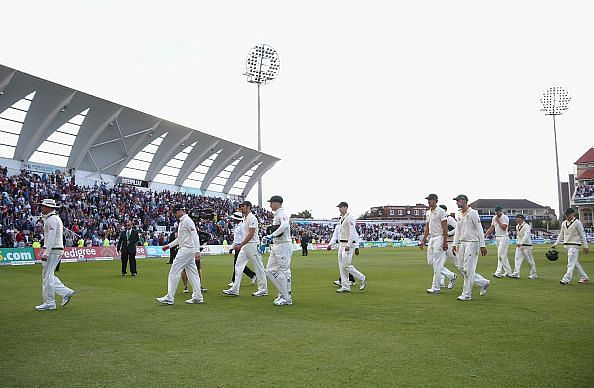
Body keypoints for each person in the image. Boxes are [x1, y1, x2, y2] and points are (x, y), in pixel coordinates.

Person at [156, 204, 204, 305]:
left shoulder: (187, 221)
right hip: (188, 249)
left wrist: (197, 250)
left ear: (180, 211)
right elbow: (180, 239)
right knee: (193, 274)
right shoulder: (183, 222)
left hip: (186, 250)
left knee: (174, 271)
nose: (174, 214)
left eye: (175, 212)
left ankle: (169, 297)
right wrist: (168, 246)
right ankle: (198, 297)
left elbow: (195, 235)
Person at [35, 198, 75, 311]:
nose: (41, 208)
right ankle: (66, 292)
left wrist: (46, 252)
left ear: (48, 208)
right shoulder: (53, 218)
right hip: (55, 249)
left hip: (53, 250)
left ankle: (50, 303)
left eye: (43, 206)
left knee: (47, 276)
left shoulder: (52, 219)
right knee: (49, 275)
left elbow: (51, 237)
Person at [222, 200, 268, 297]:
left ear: (248, 207)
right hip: (246, 246)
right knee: (238, 266)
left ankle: (263, 289)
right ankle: (235, 289)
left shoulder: (252, 218)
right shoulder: (245, 218)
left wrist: (241, 244)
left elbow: (251, 234)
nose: (241, 208)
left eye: (242, 206)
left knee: (259, 268)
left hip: (252, 245)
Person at [451, 194, 490, 301]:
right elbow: (458, 231)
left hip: (472, 243)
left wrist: (482, 245)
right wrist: (454, 244)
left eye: (458, 201)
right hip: (462, 243)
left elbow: (479, 229)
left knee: (468, 269)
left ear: (464, 201)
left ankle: (466, 294)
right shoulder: (459, 214)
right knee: (460, 267)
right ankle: (483, 282)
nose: (457, 202)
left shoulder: (473, 213)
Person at [419, 194, 457, 294]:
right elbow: (427, 228)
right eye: (428, 200)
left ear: (436, 200)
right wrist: (423, 240)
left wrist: (444, 241)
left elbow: (445, 227)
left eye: (430, 200)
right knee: (430, 262)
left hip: (439, 237)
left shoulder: (441, 211)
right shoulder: (428, 212)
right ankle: (451, 275)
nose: (428, 202)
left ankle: (435, 287)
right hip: (432, 238)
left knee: (436, 262)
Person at [263, 195, 293, 306]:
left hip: (283, 245)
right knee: (270, 270)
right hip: (277, 245)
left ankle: (286, 297)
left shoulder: (282, 214)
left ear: (277, 203)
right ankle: (283, 293)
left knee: (283, 271)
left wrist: (272, 235)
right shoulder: (277, 215)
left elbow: (284, 225)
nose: (270, 205)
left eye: (271, 203)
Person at [334, 202, 366, 293]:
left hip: (347, 245)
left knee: (346, 265)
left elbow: (352, 232)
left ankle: (362, 278)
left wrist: (349, 244)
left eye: (340, 207)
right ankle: (345, 286)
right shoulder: (341, 218)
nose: (339, 209)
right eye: (339, 207)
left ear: (346, 207)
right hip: (341, 244)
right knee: (341, 267)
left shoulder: (350, 218)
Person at [553, 208, 590, 285]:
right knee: (575, 263)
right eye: (566, 215)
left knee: (570, 263)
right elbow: (561, 234)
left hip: (574, 246)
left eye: (568, 215)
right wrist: (556, 243)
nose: (567, 216)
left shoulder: (577, 223)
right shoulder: (564, 223)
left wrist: (586, 246)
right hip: (566, 246)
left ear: (573, 214)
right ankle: (584, 278)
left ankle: (566, 279)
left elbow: (583, 234)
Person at [227, 211, 256, 287]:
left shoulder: (242, 226)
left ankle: (235, 281)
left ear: (237, 219)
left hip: (240, 246)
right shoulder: (237, 226)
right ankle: (252, 275)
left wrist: (241, 246)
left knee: (237, 264)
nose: (232, 220)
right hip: (237, 246)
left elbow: (244, 237)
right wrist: (232, 248)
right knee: (238, 264)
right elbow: (235, 239)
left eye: (234, 219)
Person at [484, 205, 513, 278]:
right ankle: (508, 272)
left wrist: (498, 221)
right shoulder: (494, 218)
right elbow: (492, 227)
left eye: (498, 211)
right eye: (496, 212)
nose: (497, 213)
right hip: (497, 237)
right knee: (503, 256)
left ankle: (498, 272)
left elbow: (504, 228)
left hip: (504, 237)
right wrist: (485, 234)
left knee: (500, 254)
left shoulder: (505, 217)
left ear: (501, 211)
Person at [509, 214, 537, 279]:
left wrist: (521, 243)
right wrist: (518, 242)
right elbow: (518, 236)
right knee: (517, 259)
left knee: (530, 261)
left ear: (521, 218)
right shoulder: (517, 226)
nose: (516, 219)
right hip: (519, 246)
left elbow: (526, 235)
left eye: (517, 218)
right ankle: (516, 273)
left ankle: (534, 274)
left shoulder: (526, 226)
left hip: (527, 246)